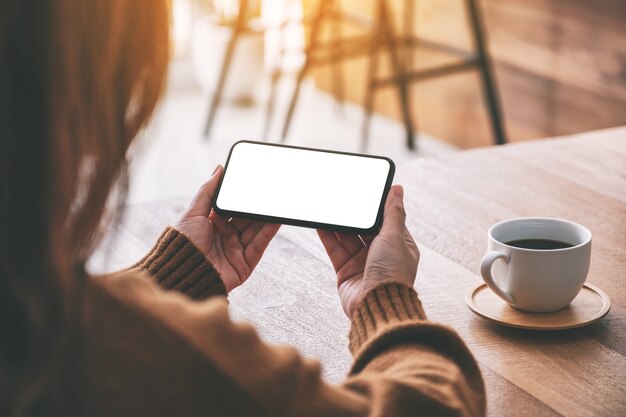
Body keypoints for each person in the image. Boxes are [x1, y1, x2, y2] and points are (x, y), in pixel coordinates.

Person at [0, 1, 485, 416]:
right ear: (69, 106)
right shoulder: (144, 355)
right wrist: (385, 300)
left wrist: (173, 275)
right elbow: (434, 407)